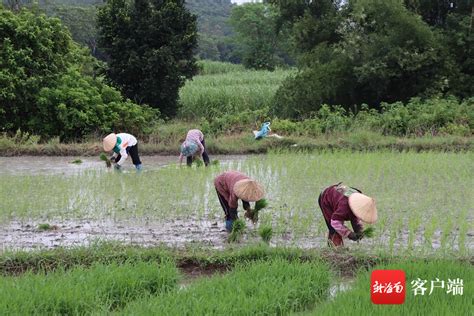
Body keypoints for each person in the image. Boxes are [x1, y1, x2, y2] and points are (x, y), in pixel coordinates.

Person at [318, 182, 377, 247]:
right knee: (334, 230)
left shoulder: (357, 201)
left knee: (338, 227)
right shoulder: (345, 206)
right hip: (326, 198)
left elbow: (355, 218)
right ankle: (336, 249)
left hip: (338, 198)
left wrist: (359, 230)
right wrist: (349, 234)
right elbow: (335, 222)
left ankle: (332, 247)